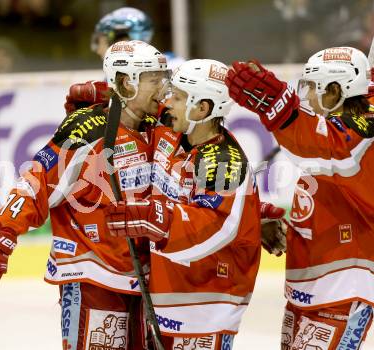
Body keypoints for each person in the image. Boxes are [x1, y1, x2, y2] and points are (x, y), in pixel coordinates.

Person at [0, 40, 170, 350]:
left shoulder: (157, 128)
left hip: (143, 278)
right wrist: (0, 232)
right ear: (127, 82)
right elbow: (35, 183)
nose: (164, 88)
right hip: (93, 276)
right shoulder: (86, 130)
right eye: (155, 80)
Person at [104, 59, 285, 348]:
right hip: (170, 295)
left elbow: (215, 225)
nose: (167, 102)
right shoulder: (174, 128)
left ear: (202, 108)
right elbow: (141, 103)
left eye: (176, 97)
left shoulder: (223, 161)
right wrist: (103, 93)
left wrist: (156, 218)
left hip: (206, 305)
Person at [225, 46, 374, 349]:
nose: (305, 95)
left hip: (346, 282)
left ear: (335, 90)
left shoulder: (363, 129)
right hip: (313, 277)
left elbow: (329, 147)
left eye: (312, 86)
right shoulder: (349, 115)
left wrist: (279, 108)